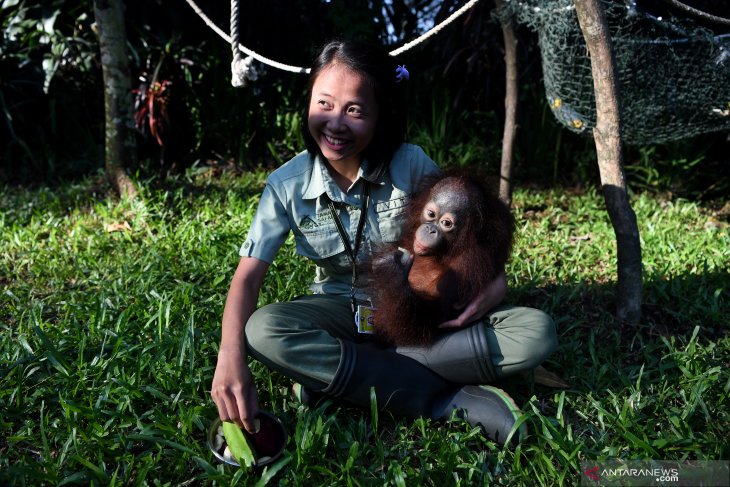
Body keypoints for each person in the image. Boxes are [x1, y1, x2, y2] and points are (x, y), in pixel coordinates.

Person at [211, 39, 557, 446]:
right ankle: (443, 398)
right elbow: (248, 277)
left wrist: (495, 282)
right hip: (340, 310)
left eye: (355, 110)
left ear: (379, 116)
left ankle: (345, 382)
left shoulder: (410, 164)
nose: (336, 123)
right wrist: (229, 355)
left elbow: (460, 230)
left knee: (536, 332)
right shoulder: (286, 185)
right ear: (307, 103)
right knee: (264, 330)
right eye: (324, 103)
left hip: (415, 312)